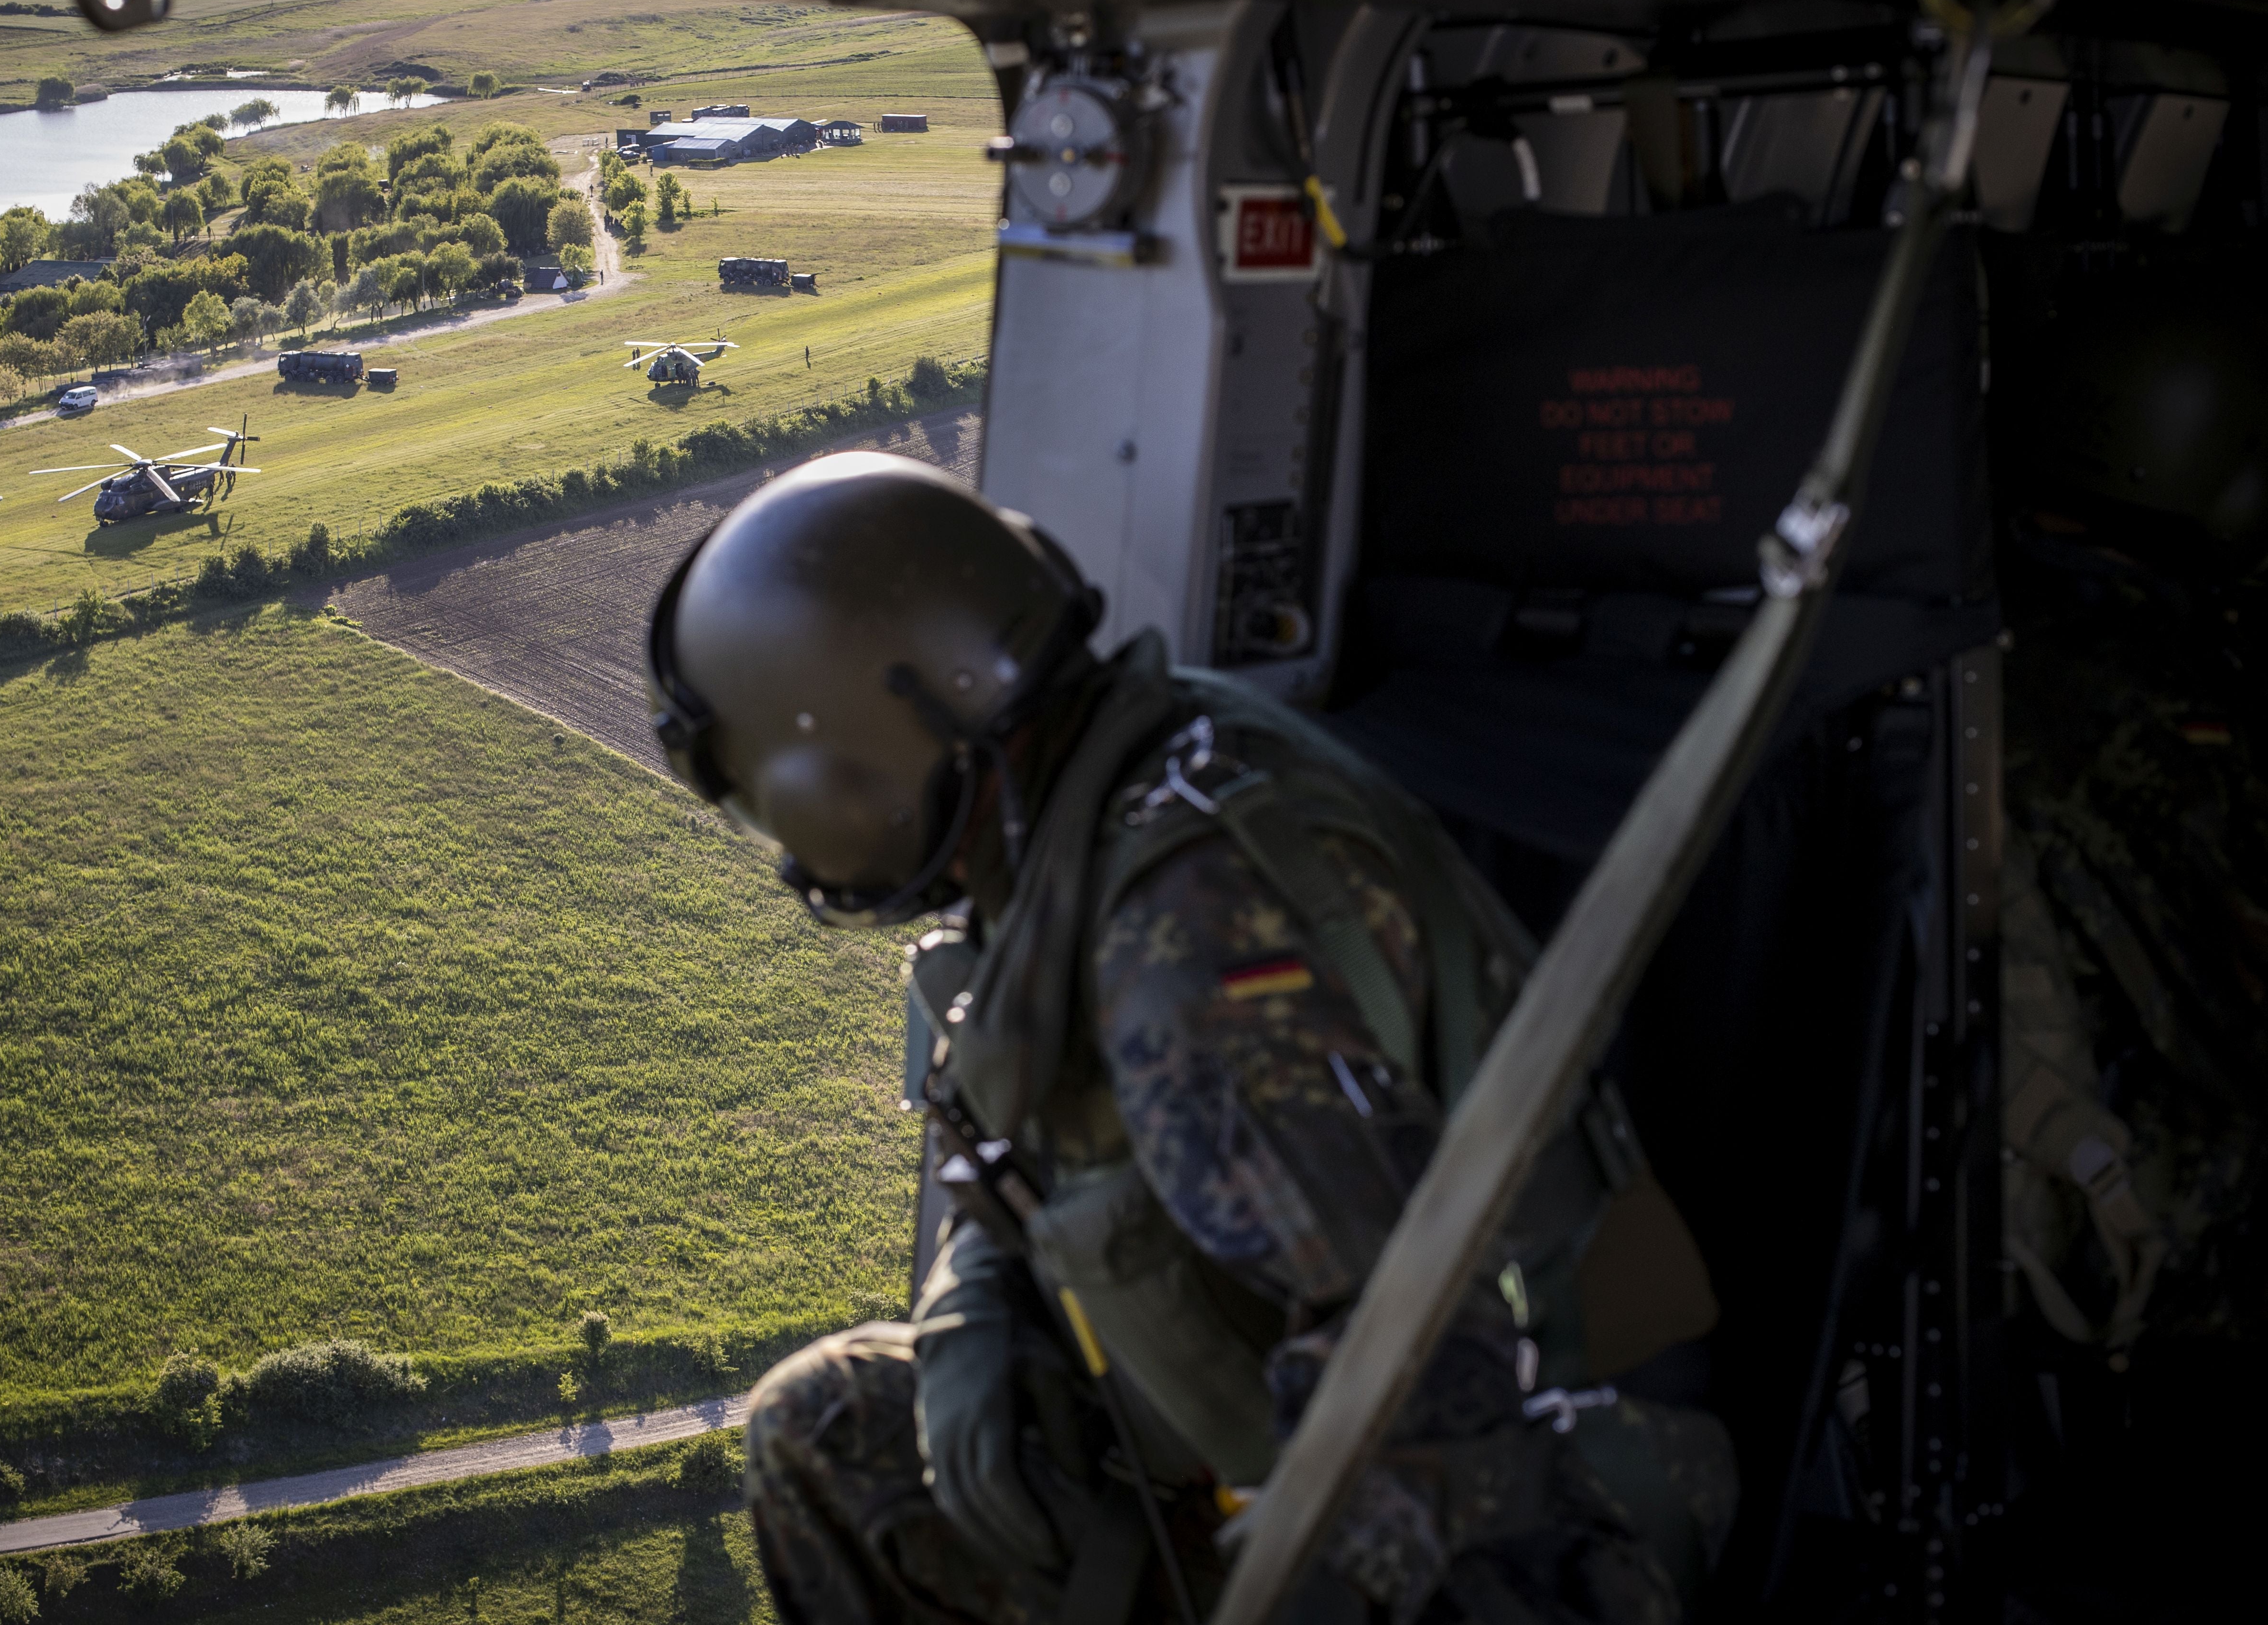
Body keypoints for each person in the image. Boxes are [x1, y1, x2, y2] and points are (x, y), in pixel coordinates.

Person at [646, 455, 1735, 1624]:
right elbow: (1065, 1152)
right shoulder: (1116, 785)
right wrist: (981, 1313)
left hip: (1544, 1487)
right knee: (827, 1431)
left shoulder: (1186, 942)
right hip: (1287, 1421)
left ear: (850, 776)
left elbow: (1419, 1371)